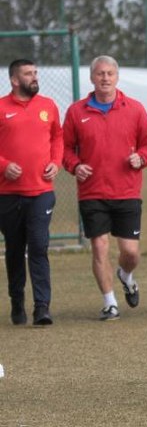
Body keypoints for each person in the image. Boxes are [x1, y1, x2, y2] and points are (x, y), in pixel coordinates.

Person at [62, 56, 147, 321]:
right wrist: (75, 166)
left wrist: (141, 158)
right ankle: (110, 302)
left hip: (127, 191)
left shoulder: (134, 109)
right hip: (92, 192)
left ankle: (125, 275)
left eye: (110, 73)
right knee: (100, 248)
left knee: (130, 252)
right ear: (92, 78)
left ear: (117, 77)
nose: (105, 78)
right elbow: (65, 148)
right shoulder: (76, 112)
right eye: (100, 73)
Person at [0, 59, 63, 326]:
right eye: (28, 74)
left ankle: (42, 307)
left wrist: (55, 162)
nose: (34, 77)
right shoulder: (1, 108)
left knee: (38, 245)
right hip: (7, 194)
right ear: (15, 80)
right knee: (15, 249)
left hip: (41, 191)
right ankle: (17, 301)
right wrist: (3, 166)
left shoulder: (48, 106)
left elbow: (58, 137)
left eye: (36, 73)